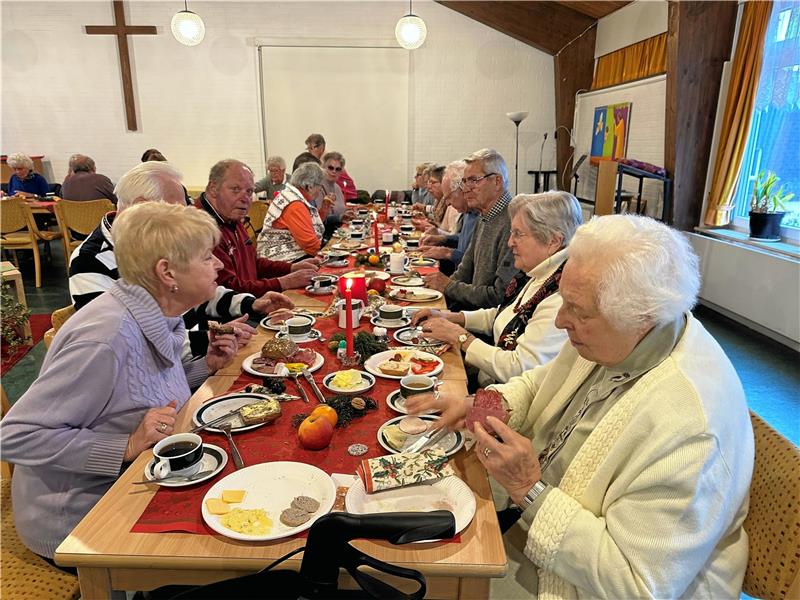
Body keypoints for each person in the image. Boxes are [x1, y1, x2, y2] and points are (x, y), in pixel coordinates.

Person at [407, 214, 755, 598]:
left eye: (577, 310)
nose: (559, 320)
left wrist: (529, 488)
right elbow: (544, 380)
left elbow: (637, 585)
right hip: (533, 514)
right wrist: (488, 402)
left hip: (579, 580)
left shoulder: (689, 428)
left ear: (641, 317)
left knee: (422, 574)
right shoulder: (622, 335)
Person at [0, 202, 240, 562]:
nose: (219, 264)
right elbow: (16, 435)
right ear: (168, 273)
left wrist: (203, 367)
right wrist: (126, 445)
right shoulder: (106, 336)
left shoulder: (158, 313)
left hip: (134, 483)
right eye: (207, 256)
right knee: (234, 553)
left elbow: (138, 394)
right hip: (79, 522)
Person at [69, 161, 293, 377]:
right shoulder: (90, 262)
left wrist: (250, 304)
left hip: (194, 362)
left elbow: (198, 288)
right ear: (141, 208)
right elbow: (130, 347)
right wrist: (208, 340)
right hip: (161, 374)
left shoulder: (157, 244)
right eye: (177, 211)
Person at [412, 191, 582, 387]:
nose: (510, 243)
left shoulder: (560, 295)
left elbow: (519, 368)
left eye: (518, 234)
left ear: (553, 241)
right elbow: (506, 314)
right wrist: (450, 317)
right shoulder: (542, 272)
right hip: (487, 378)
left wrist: (460, 337)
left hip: (500, 395)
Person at [196, 159, 319, 296]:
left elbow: (253, 264)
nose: (245, 198)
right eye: (236, 189)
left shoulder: (230, 216)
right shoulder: (200, 227)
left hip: (252, 301)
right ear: (213, 188)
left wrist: (292, 268)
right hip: (234, 313)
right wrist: (284, 282)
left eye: (249, 191)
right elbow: (229, 289)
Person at [423, 148, 518, 311]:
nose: (466, 188)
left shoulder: (514, 222)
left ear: (497, 181)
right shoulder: (484, 214)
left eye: (474, 180)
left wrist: (447, 287)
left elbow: (499, 297)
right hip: (469, 311)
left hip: (485, 323)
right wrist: (438, 292)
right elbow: (465, 268)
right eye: (465, 181)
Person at [256, 162, 325, 262]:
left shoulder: (290, 195)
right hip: (282, 260)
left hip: (276, 257)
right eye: (320, 186)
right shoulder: (295, 205)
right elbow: (311, 246)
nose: (320, 190)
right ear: (309, 186)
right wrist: (330, 253)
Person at [302, 133, 357, 200]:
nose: (309, 151)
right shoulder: (326, 159)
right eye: (308, 149)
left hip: (347, 196)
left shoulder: (325, 162)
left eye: (311, 148)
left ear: (321, 147)